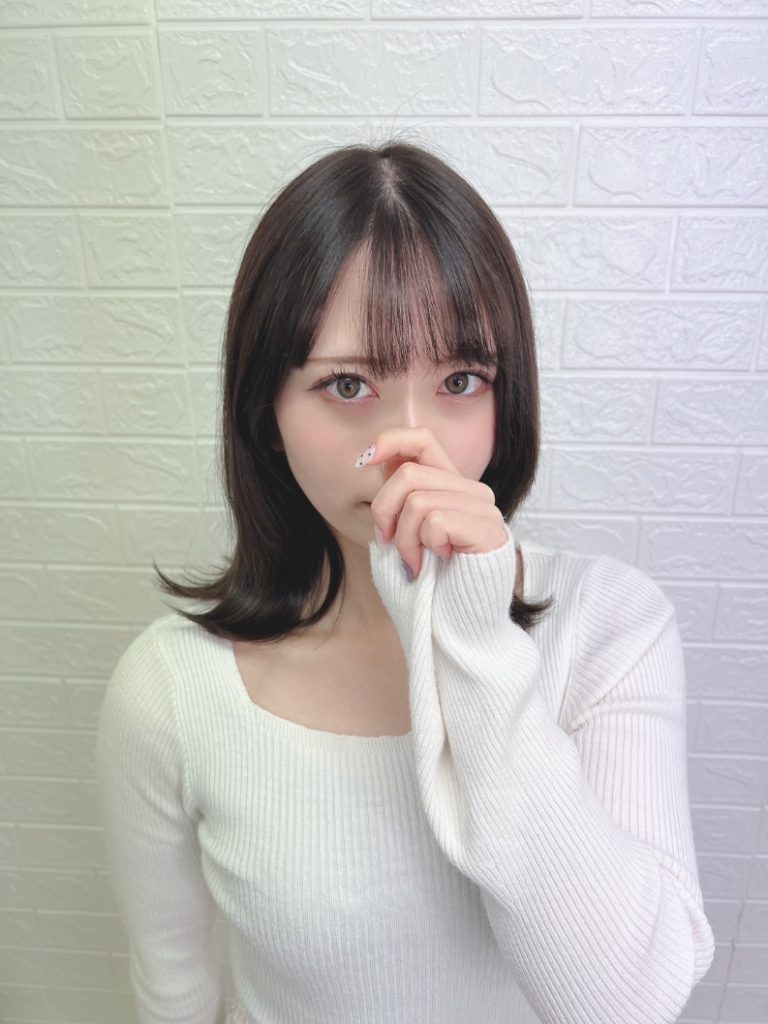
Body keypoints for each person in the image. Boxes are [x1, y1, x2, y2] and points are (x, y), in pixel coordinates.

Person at [95, 139, 714, 1024]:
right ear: (266, 414)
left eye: (461, 379)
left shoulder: (611, 625)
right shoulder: (171, 687)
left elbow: (630, 1003)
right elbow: (174, 988)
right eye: (348, 384)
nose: (412, 444)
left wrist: (476, 640)